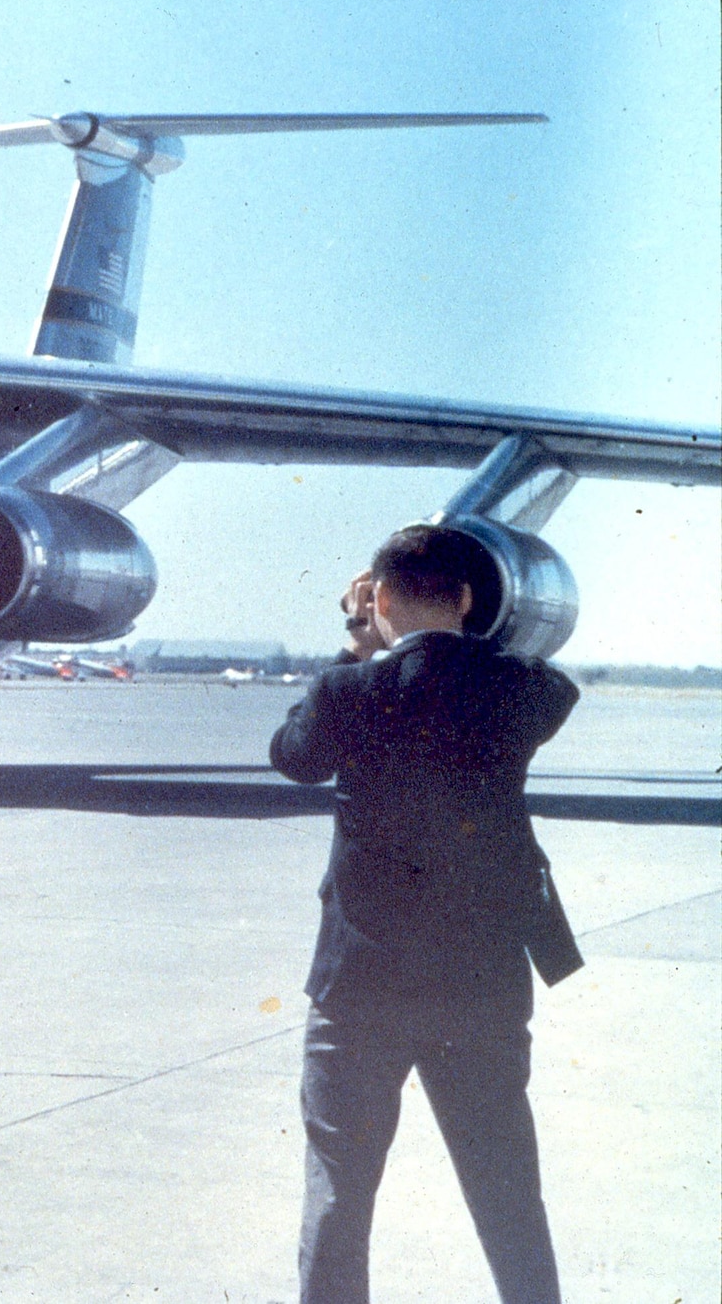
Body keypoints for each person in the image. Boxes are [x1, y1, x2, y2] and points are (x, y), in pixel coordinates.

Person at [269, 524, 583, 1304]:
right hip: (477, 987)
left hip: (360, 985)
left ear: (376, 599)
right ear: (470, 599)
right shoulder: (517, 691)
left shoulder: (349, 691)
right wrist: (464, 635)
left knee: (340, 1196)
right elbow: (556, 686)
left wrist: (356, 637)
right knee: (507, 1193)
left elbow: (292, 756)